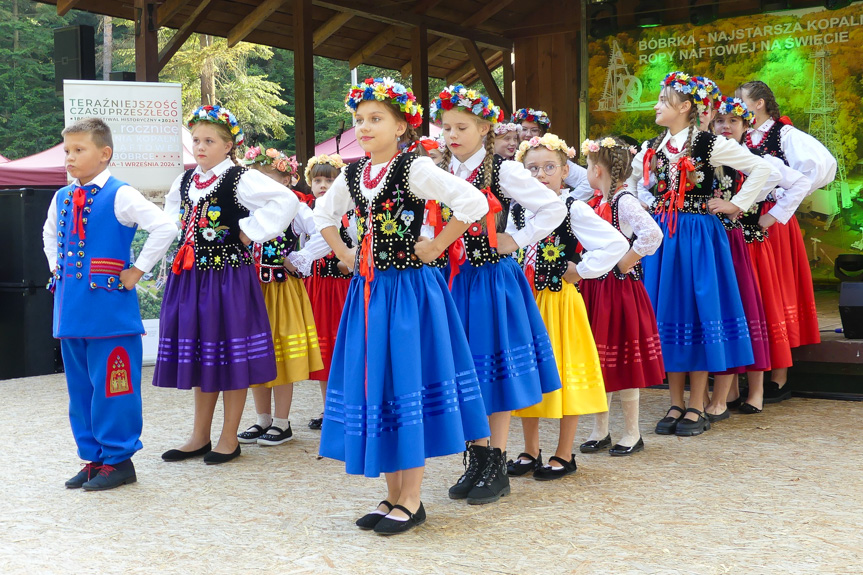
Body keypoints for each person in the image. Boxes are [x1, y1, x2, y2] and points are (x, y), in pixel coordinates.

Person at [315, 77, 491, 535]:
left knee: (406, 382)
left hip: (411, 293)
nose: (366, 127)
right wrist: (344, 253)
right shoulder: (353, 174)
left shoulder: (413, 169)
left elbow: (472, 202)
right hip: (370, 294)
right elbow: (322, 216)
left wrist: (436, 247)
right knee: (381, 386)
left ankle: (411, 498)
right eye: (360, 120)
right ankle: (392, 493)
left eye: (376, 119)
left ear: (401, 126)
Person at [431, 86, 565, 504]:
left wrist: (518, 238)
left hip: (491, 280)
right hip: (455, 280)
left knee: (494, 371)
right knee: (465, 371)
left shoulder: (502, 170)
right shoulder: (440, 172)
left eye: (462, 126)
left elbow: (553, 207)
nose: (452, 134)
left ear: (484, 127)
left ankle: (496, 464)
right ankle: (476, 457)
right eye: (447, 126)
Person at [628, 71, 771, 437]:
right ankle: (676, 401)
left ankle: (697, 404)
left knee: (697, 310)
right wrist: (644, 203)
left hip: (698, 237)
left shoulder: (709, 144)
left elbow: (762, 168)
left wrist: (734, 204)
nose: (657, 106)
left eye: (663, 100)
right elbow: (632, 180)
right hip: (665, 237)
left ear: (686, 106)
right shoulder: (653, 146)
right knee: (669, 312)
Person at [154, 105, 298, 465]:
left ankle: (228, 437)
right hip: (191, 277)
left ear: (229, 144)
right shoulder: (185, 181)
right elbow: (170, 220)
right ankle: (199, 435)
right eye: (196, 140)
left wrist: (250, 232)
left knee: (232, 355)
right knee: (205, 354)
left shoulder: (240, 178)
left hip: (228, 278)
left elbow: (287, 200)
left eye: (209, 141)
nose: (200, 147)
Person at [43, 117, 176, 490]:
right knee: (81, 388)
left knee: (114, 386)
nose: (69, 157)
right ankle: (94, 458)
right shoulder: (62, 196)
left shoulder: (121, 193)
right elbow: (49, 233)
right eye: (67, 150)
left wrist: (137, 269)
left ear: (105, 154)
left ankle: (119, 460)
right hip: (71, 311)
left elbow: (165, 227)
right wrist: (58, 268)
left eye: (79, 150)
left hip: (110, 313)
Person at [506, 133, 627, 479]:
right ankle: (530, 449)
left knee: (565, 375)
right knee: (528, 374)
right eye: (532, 169)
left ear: (563, 171)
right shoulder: (517, 209)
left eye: (548, 168)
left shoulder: (572, 207)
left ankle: (564, 452)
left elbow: (615, 244)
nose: (540, 175)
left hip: (559, 302)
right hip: (526, 302)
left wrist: (582, 270)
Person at [737, 80, 836, 402]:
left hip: (773, 222)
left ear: (761, 103)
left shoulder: (784, 135)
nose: (737, 107)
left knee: (774, 291)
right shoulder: (737, 138)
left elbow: (820, 168)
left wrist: (779, 203)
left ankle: (779, 374)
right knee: (751, 293)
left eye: (743, 101)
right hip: (743, 219)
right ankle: (751, 371)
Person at [710, 96, 810, 414]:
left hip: (751, 247)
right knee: (728, 316)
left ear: (746, 125)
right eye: (720, 122)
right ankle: (728, 389)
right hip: (721, 248)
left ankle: (756, 391)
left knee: (756, 316)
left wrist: (772, 216)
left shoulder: (761, 159)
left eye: (733, 122)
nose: (726, 127)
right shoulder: (708, 160)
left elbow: (801, 182)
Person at [577, 136, 665, 456]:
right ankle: (601, 429)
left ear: (598, 171)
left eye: (588, 166)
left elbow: (652, 234)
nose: (586, 171)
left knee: (623, 361)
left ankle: (632, 432)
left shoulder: (623, 201)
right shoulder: (600, 200)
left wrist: (625, 262)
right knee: (601, 360)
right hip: (599, 290)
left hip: (619, 290)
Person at [235, 146, 323, 446]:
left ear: (287, 181)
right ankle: (262, 418)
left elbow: (323, 231)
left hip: (281, 288)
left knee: (280, 354)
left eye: (271, 180)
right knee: (256, 352)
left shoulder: (296, 207)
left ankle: (282, 422)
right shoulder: (247, 208)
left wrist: (300, 257)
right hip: (250, 289)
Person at [286, 153, 351, 430]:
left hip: (341, 288)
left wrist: (348, 260)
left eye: (329, 180)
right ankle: (330, 410)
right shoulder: (306, 211)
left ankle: (348, 407)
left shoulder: (346, 212)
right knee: (324, 351)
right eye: (318, 180)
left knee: (343, 348)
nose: (323, 185)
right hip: (317, 287)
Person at [514, 107, 593, 200]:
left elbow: (587, 181)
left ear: (541, 133)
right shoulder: (508, 156)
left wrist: (565, 202)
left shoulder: (552, 156)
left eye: (534, 130)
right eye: (524, 129)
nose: (528, 134)